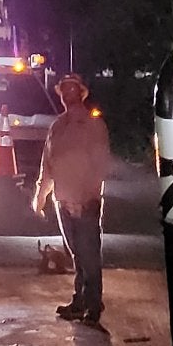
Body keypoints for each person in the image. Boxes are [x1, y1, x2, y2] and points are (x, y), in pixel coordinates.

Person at [33, 73, 110, 324]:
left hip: (85, 203)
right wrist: (40, 196)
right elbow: (48, 164)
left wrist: (88, 197)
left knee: (89, 256)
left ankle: (93, 306)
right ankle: (79, 302)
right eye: (64, 90)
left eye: (72, 90)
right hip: (63, 201)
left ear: (81, 93)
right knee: (77, 255)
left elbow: (100, 167)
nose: (68, 94)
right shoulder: (58, 126)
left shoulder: (93, 125)